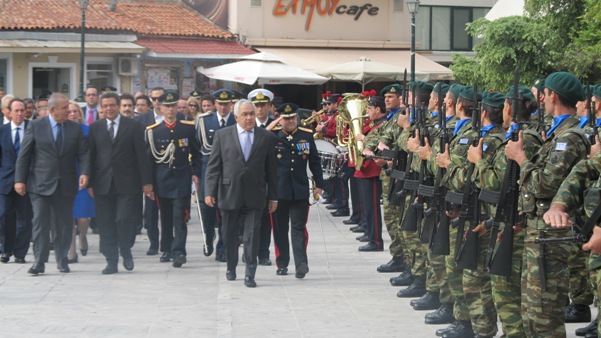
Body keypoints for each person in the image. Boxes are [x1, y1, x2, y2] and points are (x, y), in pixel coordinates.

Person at [506, 71, 590, 337]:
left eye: (543, 94)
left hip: (552, 235)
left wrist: (521, 159)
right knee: (531, 311)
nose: (540, 99)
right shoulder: (557, 135)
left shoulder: (569, 138)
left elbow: (545, 184)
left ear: (552, 95)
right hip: (539, 231)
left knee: (545, 314)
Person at [204, 99, 278, 288]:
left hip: (255, 194)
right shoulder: (223, 135)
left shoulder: (266, 137)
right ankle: (231, 266)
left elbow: (272, 171)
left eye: (251, 113)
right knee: (229, 235)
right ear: (236, 116)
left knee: (251, 236)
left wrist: (273, 196)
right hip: (229, 193)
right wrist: (209, 192)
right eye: (244, 114)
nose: (249, 117)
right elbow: (213, 167)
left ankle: (250, 274)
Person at [15, 92, 90, 275]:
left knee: (64, 225)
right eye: (65, 108)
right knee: (40, 222)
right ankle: (39, 262)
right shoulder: (35, 126)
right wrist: (19, 180)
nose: (69, 112)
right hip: (40, 184)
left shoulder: (75, 128)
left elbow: (84, 153)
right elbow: (24, 156)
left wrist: (86, 173)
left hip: (66, 184)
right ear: (53, 109)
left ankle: (62, 259)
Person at [88, 92, 153, 274]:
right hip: (102, 184)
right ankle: (111, 261)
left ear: (118, 106)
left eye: (112, 105)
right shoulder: (95, 127)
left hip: (127, 182)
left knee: (123, 219)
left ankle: (125, 249)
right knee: (106, 223)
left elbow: (142, 155)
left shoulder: (134, 126)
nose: (109, 109)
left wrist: (146, 181)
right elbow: (91, 156)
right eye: (105, 106)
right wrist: (90, 182)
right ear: (102, 107)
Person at [147, 91, 200, 267]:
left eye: (173, 106)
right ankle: (166, 249)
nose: (170, 110)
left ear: (177, 107)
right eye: (166, 106)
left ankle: (179, 251)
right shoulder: (153, 131)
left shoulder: (187, 128)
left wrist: (196, 173)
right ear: (160, 108)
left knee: (180, 216)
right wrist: (150, 184)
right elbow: (150, 160)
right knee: (166, 217)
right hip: (162, 179)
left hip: (181, 178)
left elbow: (196, 153)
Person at [270, 103, 323, 278]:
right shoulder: (272, 136)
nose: (290, 121)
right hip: (278, 191)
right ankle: (282, 263)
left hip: (299, 189)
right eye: (286, 118)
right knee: (279, 228)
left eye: (293, 117)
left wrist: (319, 185)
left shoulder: (306, 136)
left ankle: (301, 263)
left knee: (299, 227)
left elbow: (314, 161)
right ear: (280, 119)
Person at [196, 89, 237, 262]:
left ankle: (222, 247)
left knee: (225, 210)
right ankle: (208, 235)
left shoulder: (237, 121)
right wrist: (196, 173)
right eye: (219, 103)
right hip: (208, 172)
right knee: (207, 209)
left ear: (231, 105)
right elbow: (197, 147)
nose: (222, 107)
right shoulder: (204, 121)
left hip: (229, 171)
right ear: (215, 104)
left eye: (226, 104)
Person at [0, 98, 32, 264]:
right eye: (16, 111)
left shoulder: (32, 129)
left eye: (22, 110)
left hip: (27, 182)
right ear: (9, 112)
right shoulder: (2, 131)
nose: (20, 114)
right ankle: (6, 250)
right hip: (5, 182)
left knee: (25, 219)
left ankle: (20, 253)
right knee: (5, 215)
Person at [135, 87, 166, 256]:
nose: (157, 102)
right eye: (154, 99)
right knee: (151, 211)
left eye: (160, 98)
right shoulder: (142, 120)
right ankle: (154, 243)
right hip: (150, 171)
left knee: (170, 211)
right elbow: (140, 149)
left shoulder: (177, 117)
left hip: (169, 170)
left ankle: (168, 242)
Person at [356, 94, 387, 252]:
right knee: (368, 207)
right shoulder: (374, 124)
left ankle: (375, 241)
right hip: (366, 169)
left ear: (377, 109)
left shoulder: (383, 124)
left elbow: (380, 142)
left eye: (369, 108)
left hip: (373, 170)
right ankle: (371, 235)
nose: (367, 111)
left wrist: (364, 138)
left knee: (372, 207)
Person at [249, 88, 275, 265]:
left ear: (270, 107)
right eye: (256, 105)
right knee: (248, 220)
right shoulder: (246, 125)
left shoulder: (278, 125)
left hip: (267, 179)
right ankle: (249, 251)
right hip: (248, 180)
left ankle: (263, 253)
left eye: (263, 105)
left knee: (265, 219)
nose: (259, 109)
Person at [66, 101, 95, 264]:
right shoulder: (62, 129)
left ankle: (82, 235)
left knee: (83, 216)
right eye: (69, 111)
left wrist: (92, 180)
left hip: (84, 177)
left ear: (79, 113)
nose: (72, 114)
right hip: (68, 176)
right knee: (69, 215)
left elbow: (93, 156)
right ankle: (72, 252)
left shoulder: (87, 131)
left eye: (75, 111)